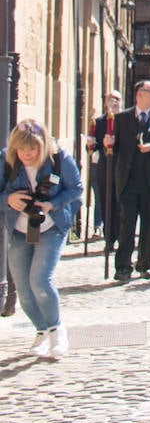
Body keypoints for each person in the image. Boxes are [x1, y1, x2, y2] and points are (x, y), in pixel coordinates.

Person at [0, 119, 82, 359]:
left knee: (40, 280)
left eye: (32, 149)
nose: (26, 154)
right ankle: (41, 330)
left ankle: (57, 330)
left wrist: (52, 204)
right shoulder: (7, 160)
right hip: (19, 228)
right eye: (21, 149)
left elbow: (75, 188)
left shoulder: (58, 158)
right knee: (23, 289)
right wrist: (8, 199)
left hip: (51, 225)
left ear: (42, 145)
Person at [111, 79, 150, 282]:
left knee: (149, 226)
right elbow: (115, 148)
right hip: (129, 181)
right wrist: (108, 144)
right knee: (127, 226)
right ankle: (123, 267)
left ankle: (145, 264)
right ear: (140, 94)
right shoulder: (122, 118)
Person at [86, 89, 122, 252]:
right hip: (105, 168)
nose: (114, 102)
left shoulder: (126, 120)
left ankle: (122, 236)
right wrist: (91, 145)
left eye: (117, 99)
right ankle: (109, 239)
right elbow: (94, 149)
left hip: (122, 168)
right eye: (111, 99)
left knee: (121, 205)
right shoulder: (99, 122)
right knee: (106, 203)